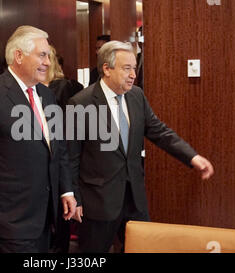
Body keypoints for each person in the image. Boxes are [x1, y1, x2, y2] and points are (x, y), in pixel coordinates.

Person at [67, 41, 214, 253]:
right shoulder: (80, 104)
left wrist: (192, 157)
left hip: (134, 199)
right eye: (126, 68)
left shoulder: (136, 96)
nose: (133, 75)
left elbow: (159, 131)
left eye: (134, 68)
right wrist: (75, 198)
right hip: (98, 202)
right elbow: (71, 156)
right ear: (107, 69)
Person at [0, 25, 77, 253]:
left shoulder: (47, 95)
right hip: (10, 219)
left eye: (49, 56)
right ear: (19, 56)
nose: (47, 62)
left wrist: (66, 190)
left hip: (46, 216)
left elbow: (58, 148)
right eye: (42, 55)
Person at [42, 45, 83, 253]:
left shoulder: (62, 87)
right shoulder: (23, 90)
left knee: (60, 219)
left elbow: (69, 130)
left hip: (59, 160)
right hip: (36, 166)